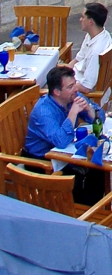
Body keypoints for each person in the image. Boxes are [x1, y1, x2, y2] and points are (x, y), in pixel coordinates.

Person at [23, 66, 106, 204]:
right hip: (41, 160)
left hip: (63, 153)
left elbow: (100, 117)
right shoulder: (44, 112)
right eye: (70, 86)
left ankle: (92, 208)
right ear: (57, 92)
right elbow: (61, 141)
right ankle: (78, 212)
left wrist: (90, 110)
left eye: (75, 83)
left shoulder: (73, 96)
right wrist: (73, 113)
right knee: (82, 173)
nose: (76, 89)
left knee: (98, 167)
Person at [69, 2, 112, 95]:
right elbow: (77, 59)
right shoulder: (98, 35)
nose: (80, 20)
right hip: (75, 76)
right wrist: (63, 72)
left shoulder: (96, 52)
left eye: (83, 17)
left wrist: (64, 85)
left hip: (80, 91)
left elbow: (86, 88)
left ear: (90, 22)